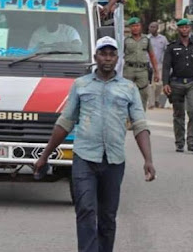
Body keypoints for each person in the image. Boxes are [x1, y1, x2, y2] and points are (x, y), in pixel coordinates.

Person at [35, 36, 156, 252]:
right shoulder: (81, 85)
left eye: (111, 54)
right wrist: (45, 156)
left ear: (117, 58)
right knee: (86, 210)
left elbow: (139, 124)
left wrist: (148, 160)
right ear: (95, 57)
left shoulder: (128, 89)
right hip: (84, 159)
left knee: (108, 217)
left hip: (114, 161)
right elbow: (65, 122)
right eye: (103, 54)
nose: (107, 59)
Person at [163, 18, 193, 153]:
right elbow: (166, 67)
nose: (184, 29)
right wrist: (165, 83)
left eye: (186, 27)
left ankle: (192, 142)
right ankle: (179, 143)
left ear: (190, 28)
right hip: (176, 83)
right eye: (182, 27)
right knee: (178, 114)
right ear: (178, 29)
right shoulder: (172, 47)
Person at [123, 17, 159, 110]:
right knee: (126, 93)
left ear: (141, 27)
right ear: (130, 28)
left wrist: (156, 72)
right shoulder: (126, 40)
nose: (135, 28)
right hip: (128, 70)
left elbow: (152, 56)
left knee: (143, 94)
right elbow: (119, 56)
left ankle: (140, 115)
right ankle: (127, 117)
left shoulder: (146, 39)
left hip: (142, 70)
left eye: (137, 26)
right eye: (133, 26)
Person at [148, 21, 168, 109]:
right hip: (149, 65)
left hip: (159, 65)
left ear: (157, 28)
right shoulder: (147, 38)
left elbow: (167, 51)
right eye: (151, 27)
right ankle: (152, 103)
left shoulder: (163, 39)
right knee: (150, 85)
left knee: (159, 84)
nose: (152, 29)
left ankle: (156, 99)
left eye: (154, 27)